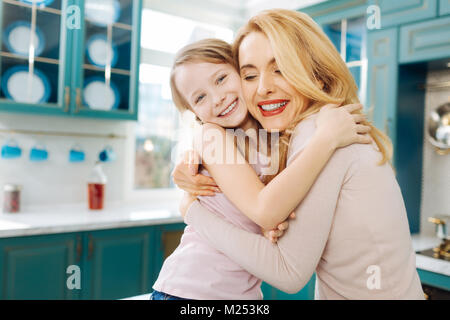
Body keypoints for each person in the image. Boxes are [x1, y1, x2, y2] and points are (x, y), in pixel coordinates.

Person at [176, 9, 425, 299]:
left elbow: (287, 270)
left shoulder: (321, 134)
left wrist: (192, 212)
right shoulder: (312, 129)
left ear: (317, 74)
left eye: (280, 68)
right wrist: (198, 157)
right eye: (250, 75)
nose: (264, 88)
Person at [150, 37, 370, 300]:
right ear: (195, 113)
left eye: (221, 79)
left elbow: (263, 210)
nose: (218, 98)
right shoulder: (211, 135)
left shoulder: (271, 138)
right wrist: (327, 139)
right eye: (200, 97)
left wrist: (270, 226)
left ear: (242, 74)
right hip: (191, 291)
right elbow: (261, 208)